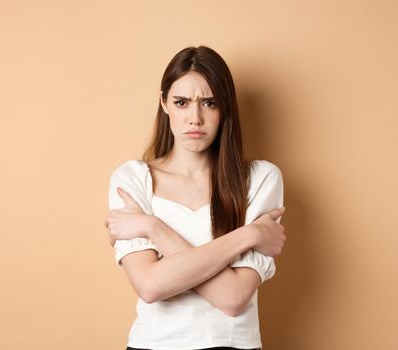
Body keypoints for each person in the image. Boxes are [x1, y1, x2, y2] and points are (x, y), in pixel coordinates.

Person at [104, 46, 286, 350]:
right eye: (181, 102)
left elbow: (232, 298)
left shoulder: (260, 179)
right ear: (164, 103)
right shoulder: (132, 179)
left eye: (209, 103)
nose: (195, 118)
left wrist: (154, 231)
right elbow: (150, 286)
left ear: (226, 107)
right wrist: (250, 234)